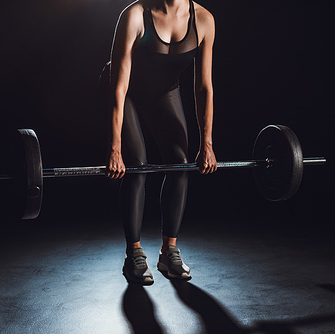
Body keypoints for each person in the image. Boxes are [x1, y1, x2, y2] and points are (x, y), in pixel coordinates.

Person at [106, 0, 217, 285]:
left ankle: (169, 251)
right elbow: (119, 87)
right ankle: (134, 254)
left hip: (165, 93)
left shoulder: (203, 20)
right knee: (136, 166)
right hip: (126, 91)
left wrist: (207, 144)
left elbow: (203, 87)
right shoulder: (134, 16)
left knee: (179, 163)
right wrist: (115, 148)